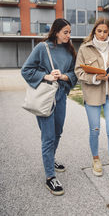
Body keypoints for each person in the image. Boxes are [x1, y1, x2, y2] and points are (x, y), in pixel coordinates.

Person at [21, 18, 77, 196]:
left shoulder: (69, 51)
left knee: (58, 131)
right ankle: (50, 177)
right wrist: (47, 76)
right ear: (56, 32)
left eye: (69, 32)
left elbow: (74, 73)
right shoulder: (42, 48)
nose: (68, 35)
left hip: (61, 97)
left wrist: (63, 76)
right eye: (65, 32)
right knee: (48, 136)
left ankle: (50, 159)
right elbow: (26, 70)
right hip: (45, 97)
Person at [75, 18, 109, 190]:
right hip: (93, 96)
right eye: (100, 31)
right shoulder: (84, 48)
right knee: (95, 130)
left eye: (106, 32)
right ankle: (96, 159)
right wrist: (95, 78)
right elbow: (78, 72)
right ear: (94, 31)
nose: (103, 35)